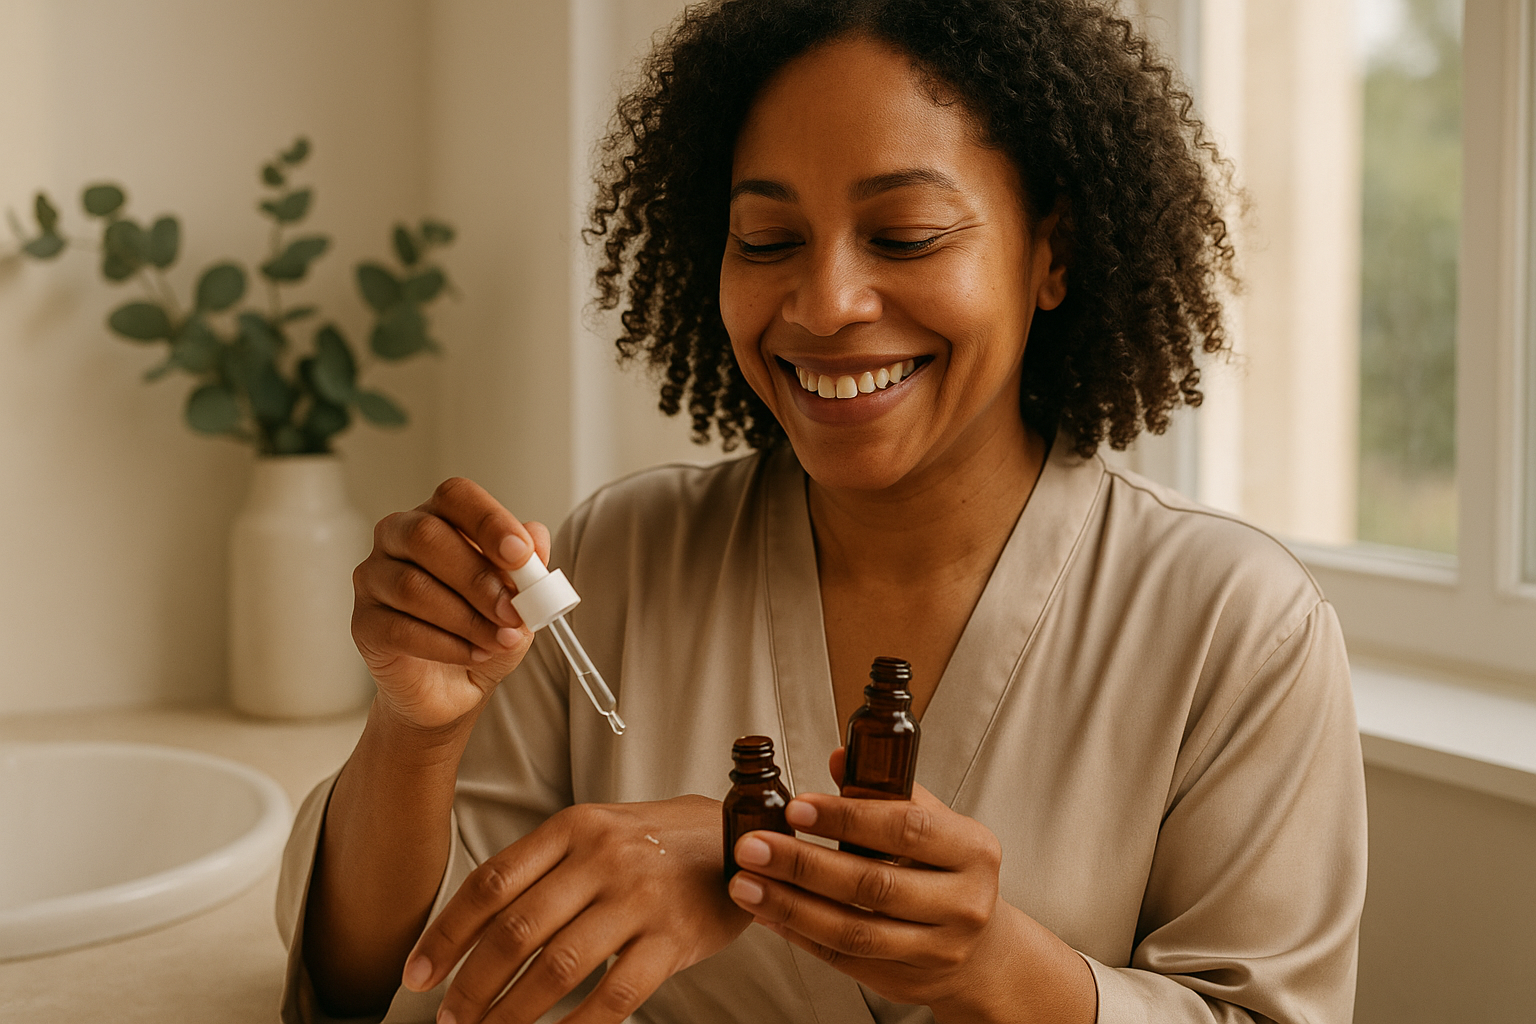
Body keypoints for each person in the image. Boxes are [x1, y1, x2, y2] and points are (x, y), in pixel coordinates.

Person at [276, 1, 1367, 1022]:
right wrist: (418, 732)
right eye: (766, 241)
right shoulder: (619, 557)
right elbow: (398, 981)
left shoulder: (1237, 626)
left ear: (1053, 253)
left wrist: (986, 961)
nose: (825, 302)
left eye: (904, 236)